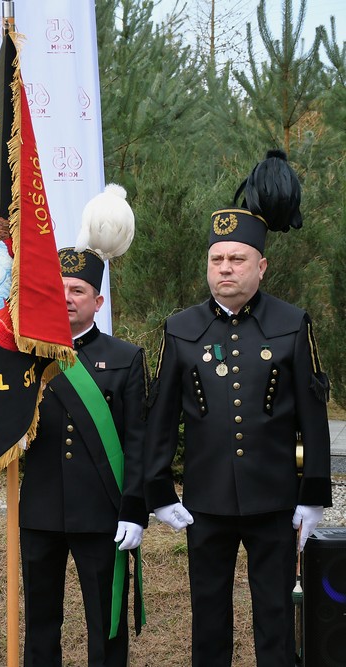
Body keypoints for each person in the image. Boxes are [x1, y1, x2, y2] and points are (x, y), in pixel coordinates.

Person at [144, 150, 331, 667]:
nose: (225, 268)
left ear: (261, 266)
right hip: (206, 503)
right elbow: (161, 418)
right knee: (208, 617)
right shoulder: (181, 329)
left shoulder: (292, 324)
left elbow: (313, 415)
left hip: (275, 501)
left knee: (275, 616)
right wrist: (159, 490)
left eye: (238, 259)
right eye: (217, 259)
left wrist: (313, 494)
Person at [19, 185, 147, 667]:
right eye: (60, 289)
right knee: (40, 623)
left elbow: (138, 442)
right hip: (40, 510)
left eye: (78, 291)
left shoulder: (125, 358)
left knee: (106, 623)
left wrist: (134, 510)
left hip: (102, 514)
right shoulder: (25, 355)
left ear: (98, 299)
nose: (68, 299)